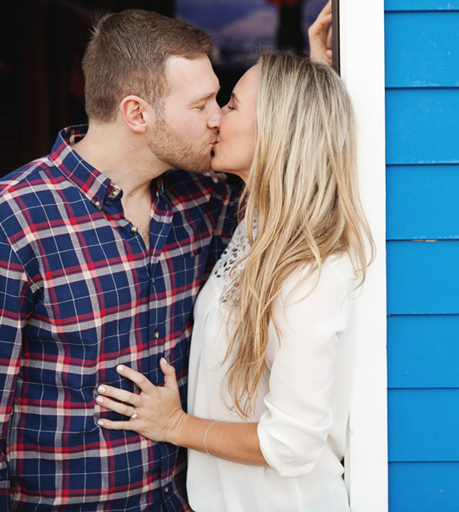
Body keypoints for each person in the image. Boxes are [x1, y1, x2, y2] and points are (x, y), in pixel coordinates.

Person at [0, 6, 333, 511]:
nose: (218, 118)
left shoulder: (203, 198)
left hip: (180, 501)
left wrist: (311, 85)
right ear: (137, 114)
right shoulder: (16, 217)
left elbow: (288, 172)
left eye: (222, 102)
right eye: (202, 104)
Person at [95, 52, 373, 512]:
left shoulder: (311, 268)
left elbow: (292, 444)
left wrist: (175, 425)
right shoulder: (253, 228)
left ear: (280, 130)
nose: (217, 119)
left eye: (233, 105)